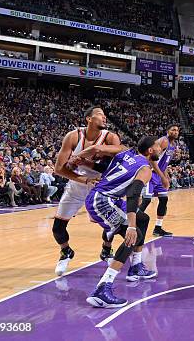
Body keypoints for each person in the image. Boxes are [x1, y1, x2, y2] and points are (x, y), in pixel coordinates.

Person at [84, 136, 161, 308]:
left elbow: (103, 168)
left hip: (106, 198)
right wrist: (131, 227)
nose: (160, 149)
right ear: (150, 151)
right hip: (103, 201)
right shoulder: (145, 168)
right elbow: (133, 194)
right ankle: (103, 289)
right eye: (157, 147)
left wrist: (82, 161)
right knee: (133, 235)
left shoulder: (127, 155)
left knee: (143, 218)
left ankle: (136, 267)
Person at [52, 106, 122, 276]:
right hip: (77, 185)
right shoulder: (73, 136)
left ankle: (106, 250)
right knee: (57, 228)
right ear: (88, 119)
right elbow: (59, 169)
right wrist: (85, 180)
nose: (104, 118)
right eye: (100, 115)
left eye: (105, 115)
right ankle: (66, 252)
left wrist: (97, 150)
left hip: (100, 188)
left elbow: (121, 151)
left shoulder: (110, 137)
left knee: (110, 225)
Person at [139, 125, 178, 237]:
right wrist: (162, 177)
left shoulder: (173, 145)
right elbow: (152, 160)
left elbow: (164, 163)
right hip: (150, 174)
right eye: (173, 130)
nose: (175, 132)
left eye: (177, 130)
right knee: (146, 201)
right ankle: (132, 224)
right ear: (167, 131)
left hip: (159, 175)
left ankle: (158, 228)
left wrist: (166, 177)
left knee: (164, 199)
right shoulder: (163, 141)